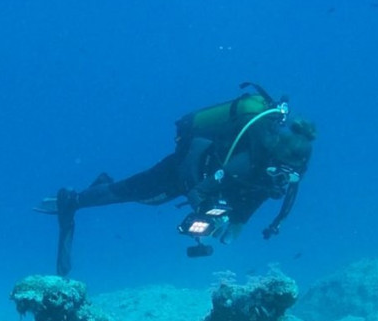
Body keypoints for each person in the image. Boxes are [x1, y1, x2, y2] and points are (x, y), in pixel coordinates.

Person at [35, 82, 316, 276]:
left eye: (288, 176)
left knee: (139, 194)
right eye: (279, 173)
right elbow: (209, 184)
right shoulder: (249, 158)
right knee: (134, 193)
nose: (281, 180)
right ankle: (72, 199)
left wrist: (234, 221)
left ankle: (98, 188)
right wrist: (204, 202)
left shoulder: (277, 170)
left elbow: (255, 197)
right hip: (185, 168)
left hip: (208, 179)